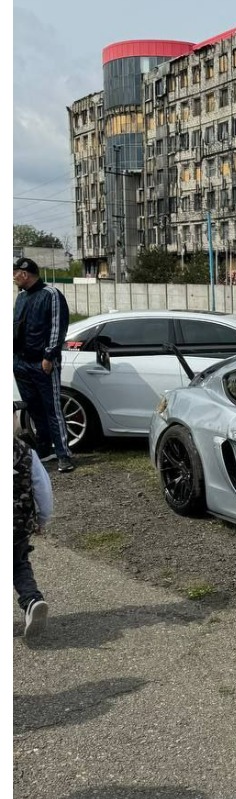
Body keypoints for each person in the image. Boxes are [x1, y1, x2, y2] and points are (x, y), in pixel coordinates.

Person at [12, 257, 74, 473]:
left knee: (53, 409)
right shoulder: (20, 298)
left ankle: (64, 455)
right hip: (21, 363)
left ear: (25, 274)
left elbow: (58, 326)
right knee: (34, 408)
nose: (13, 277)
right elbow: (15, 326)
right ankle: (44, 449)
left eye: (15, 273)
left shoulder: (51, 294)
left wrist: (49, 356)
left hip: (43, 363)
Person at [14, 430, 53, 636]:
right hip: (18, 526)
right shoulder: (26, 452)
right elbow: (43, 488)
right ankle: (32, 601)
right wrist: (42, 518)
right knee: (19, 565)